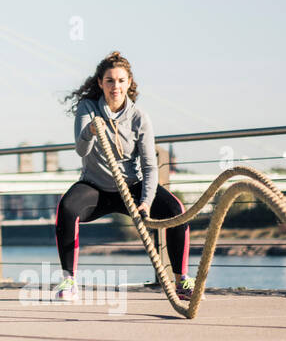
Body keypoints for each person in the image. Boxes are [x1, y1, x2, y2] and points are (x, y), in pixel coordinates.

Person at [54, 51, 192, 301]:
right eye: (109, 80)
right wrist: (90, 131)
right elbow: (81, 150)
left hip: (131, 186)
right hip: (95, 187)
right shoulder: (88, 108)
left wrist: (146, 202)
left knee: (175, 209)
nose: (115, 86)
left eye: (120, 80)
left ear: (129, 83)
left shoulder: (140, 118)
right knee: (66, 207)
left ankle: (182, 280)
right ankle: (70, 281)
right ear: (100, 83)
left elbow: (150, 167)